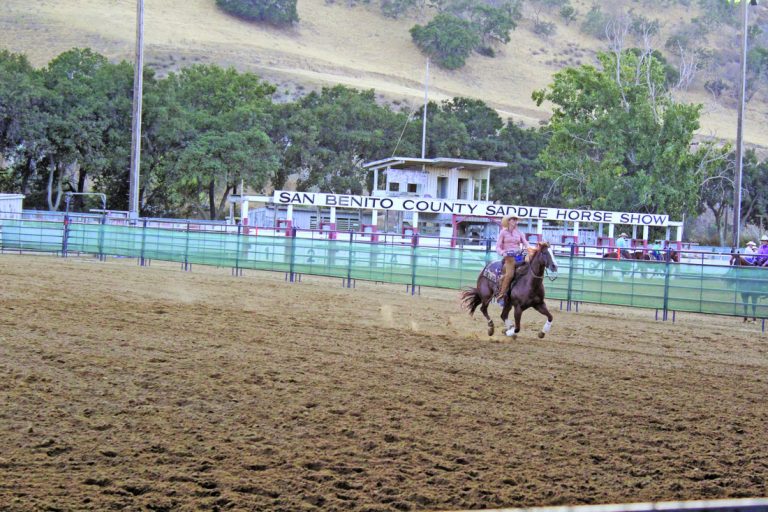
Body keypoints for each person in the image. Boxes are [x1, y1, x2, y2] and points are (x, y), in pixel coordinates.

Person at [495, 215, 530, 300]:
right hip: (509, 257)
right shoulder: (503, 232)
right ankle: (501, 294)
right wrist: (503, 252)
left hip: (518, 256)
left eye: (516, 220)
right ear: (509, 221)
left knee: (529, 265)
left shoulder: (519, 233)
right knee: (510, 275)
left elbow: (526, 243)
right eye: (513, 219)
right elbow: (497, 247)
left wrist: (530, 249)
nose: (515, 221)